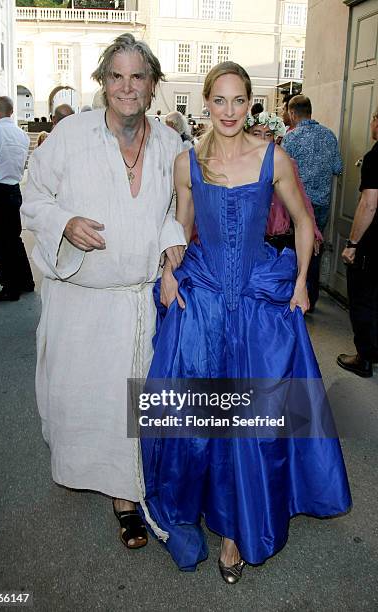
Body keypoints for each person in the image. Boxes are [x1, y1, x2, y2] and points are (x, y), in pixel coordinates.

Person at [141, 62, 351, 583]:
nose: (230, 111)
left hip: (258, 295)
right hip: (207, 293)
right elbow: (181, 227)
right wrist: (169, 270)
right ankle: (206, 503)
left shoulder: (273, 157)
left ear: (250, 103)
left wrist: (302, 282)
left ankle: (236, 532)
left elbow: (304, 221)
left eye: (239, 101)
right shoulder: (186, 163)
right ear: (207, 104)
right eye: (220, 101)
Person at [21, 33, 186, 549]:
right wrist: (65, 221)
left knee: (131, 403)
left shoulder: (170, 144)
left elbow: (171, 213)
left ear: (153, 84)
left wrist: (171, 248)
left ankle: (125, 495)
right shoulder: (70, 134)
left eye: (138, 76)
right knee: (87, 402)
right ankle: (93, 471)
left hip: (139, 302)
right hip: (85, 302)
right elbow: (32, 194)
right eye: (117, 76)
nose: (127, 87)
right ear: (103, 83)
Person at [282, 95, 343, 310]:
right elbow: (338, 168)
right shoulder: (329, 136)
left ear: (292, 113)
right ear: (310, 111)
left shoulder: (291, 138)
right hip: (321, 204)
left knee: (295, 248)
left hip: (296, 204)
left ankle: (294, 294)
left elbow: (281, 171)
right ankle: (312, 297)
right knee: (315, 250)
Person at [337, 108, 378, 377]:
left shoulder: (375, 157)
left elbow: (369, 203)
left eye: (373, 118)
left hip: (373, 244)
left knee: (363, 299)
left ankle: (364, 357)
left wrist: (352, 243)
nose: (372, 123)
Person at [245, 111, 323, 253]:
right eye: (256, 133)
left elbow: (303, 201)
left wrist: (313, 233)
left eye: (268, 134)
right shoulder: (238, 166)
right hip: (249, 243)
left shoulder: (286, 164)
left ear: (274, 138)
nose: (262, 139)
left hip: (280, 241)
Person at [0, 96, 34, 302]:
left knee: (0, 243)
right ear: (11, 111)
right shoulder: (21, 134)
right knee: (14, 239)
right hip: (14, 189)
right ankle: (26, 282)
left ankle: (9, 288)